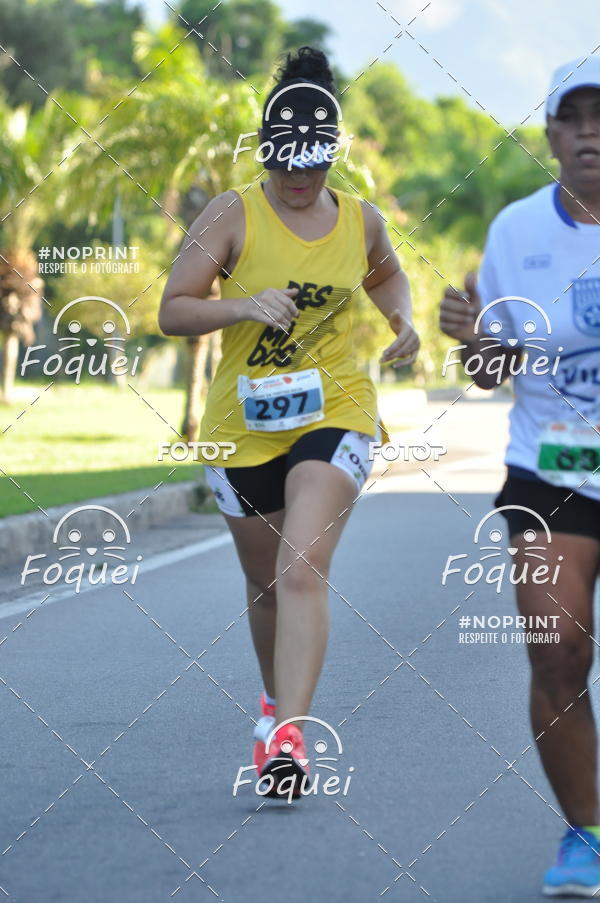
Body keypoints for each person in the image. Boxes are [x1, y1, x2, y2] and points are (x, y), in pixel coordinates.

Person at [159, 46, 419, 798]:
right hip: (243, 425)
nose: (295, 179)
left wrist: (400, 319)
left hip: (335, 409)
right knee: (266, 583)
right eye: (282, 164)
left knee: (301, 566)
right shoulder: (232, 212)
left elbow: (387, 269)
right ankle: (275, 700)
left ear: (332, 156)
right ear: (266, 154)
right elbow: (173, 309)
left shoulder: (359, 220)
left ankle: (289, 740)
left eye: (310, 164)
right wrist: (240, 303)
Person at [440, 57, 600, 896]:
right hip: (552, 467)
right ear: (551, 135)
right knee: (558, 650)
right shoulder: (515, 232)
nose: (590, 133)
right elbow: (488, 369)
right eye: (574, 118)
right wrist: (473, 335)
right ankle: (590, 834)